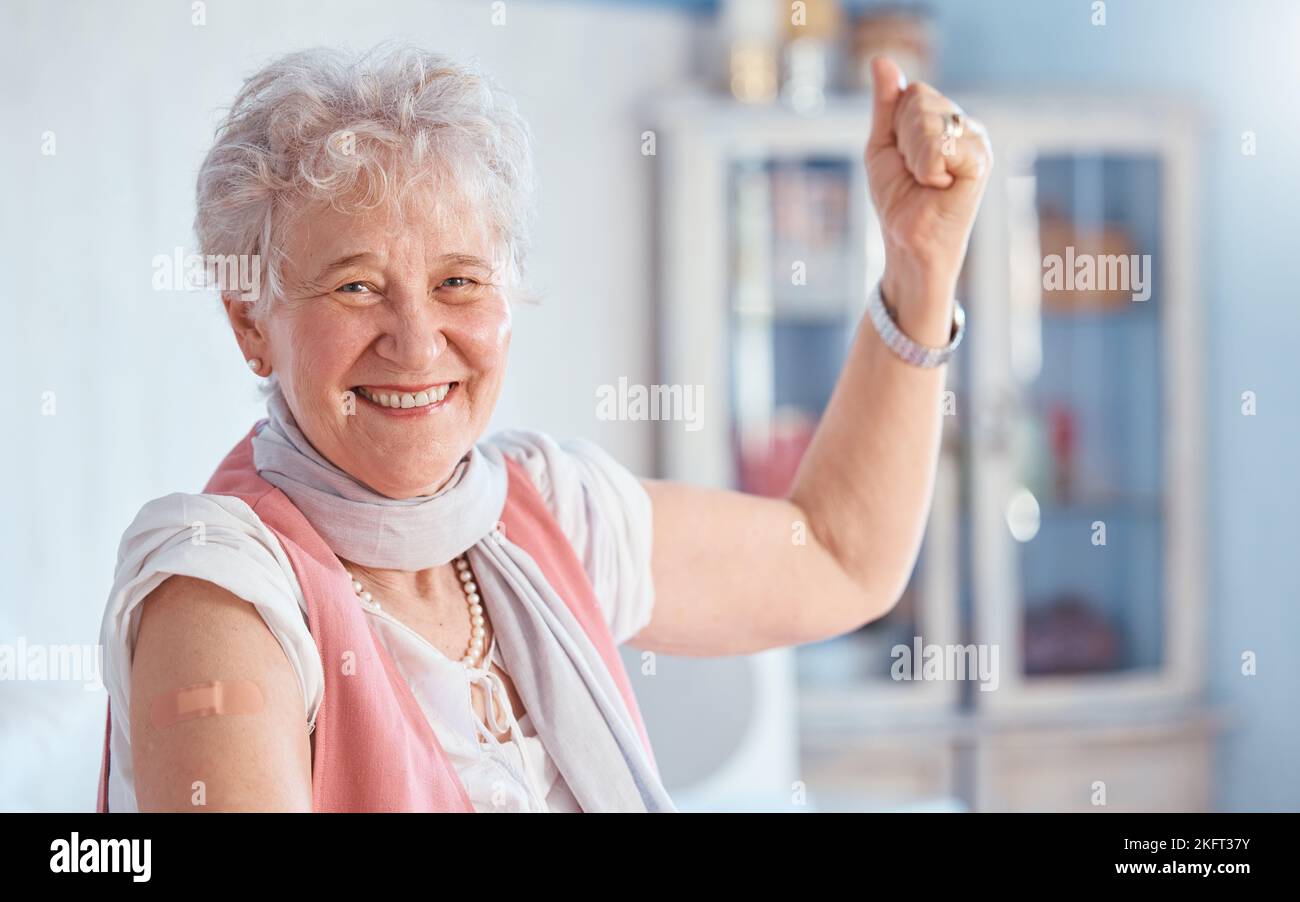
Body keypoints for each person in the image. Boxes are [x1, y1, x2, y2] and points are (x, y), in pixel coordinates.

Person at [96, 43, 991, 812]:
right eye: (355, 285)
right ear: (252, 323)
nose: (416, 343)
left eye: (458, 282)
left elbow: (839, 555)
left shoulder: (545, 511)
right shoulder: (221, 591)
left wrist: (921, 270)